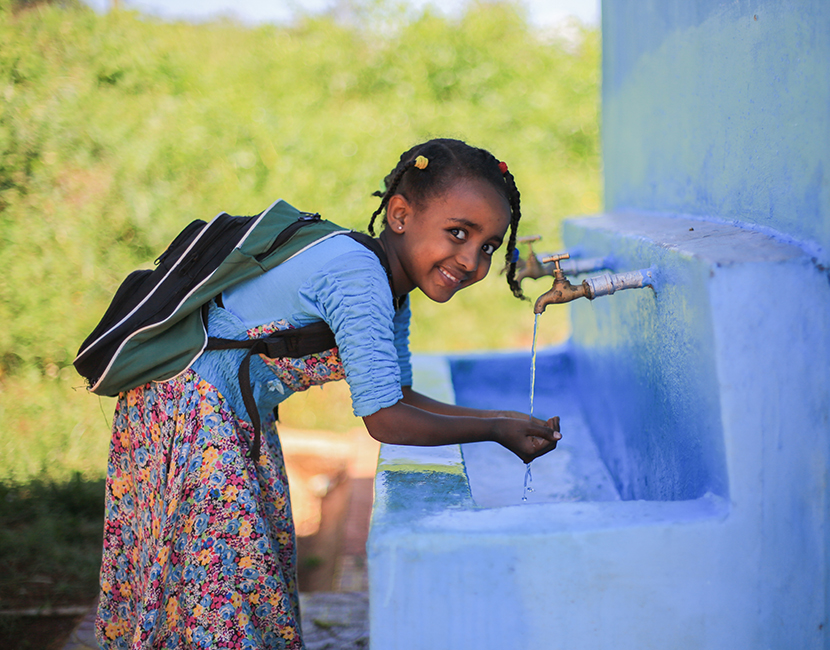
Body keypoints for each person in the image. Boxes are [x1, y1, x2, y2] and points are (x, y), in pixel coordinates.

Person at [95, 138, 562, 649]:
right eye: (458, 233)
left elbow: (398, 393)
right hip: (190, 413)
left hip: (225, 418)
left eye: (488, 246)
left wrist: (497, 416)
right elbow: (385, 418)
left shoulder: (390, 287)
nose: (471, 260)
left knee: (241, 580)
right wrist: (494, 429)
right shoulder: (357, 274)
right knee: (219, 592)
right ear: (401, 215)